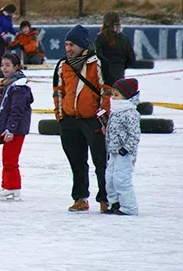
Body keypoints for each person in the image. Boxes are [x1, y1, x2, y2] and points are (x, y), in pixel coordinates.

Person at [53, 24, 112, 213]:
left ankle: (105, 199)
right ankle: (80, 198)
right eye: (66, 44)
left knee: (101, 162)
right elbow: (58, 92)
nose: (69, 48)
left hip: (93, 121)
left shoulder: (98, 62)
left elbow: (107, 92)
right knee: (77, 163)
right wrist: (61, 117)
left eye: (72, 44)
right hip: (70, 121)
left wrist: (103, 118)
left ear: (82, 45)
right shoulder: (63, 65)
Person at [0, 53, 34, 201]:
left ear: (16, 67)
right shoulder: (6, 84)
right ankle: (6, 185)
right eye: (2, 65)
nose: (4, 68)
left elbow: (16, 110)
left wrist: (11, 129)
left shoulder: (19, 86)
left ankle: (13, 186)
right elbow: (0, 109)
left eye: (8, 65)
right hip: (8, 128)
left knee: (10, 159)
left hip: (16, 129)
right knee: (7, 158)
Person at [104, 78, 141, 216]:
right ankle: (115, 203)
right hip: (114, 151)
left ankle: (129, 207)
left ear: (127, 96)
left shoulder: (130, 112)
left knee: (121, 180)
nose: (112, 98)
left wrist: (126, 149)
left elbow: (134, 135)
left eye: (116, 95)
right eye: (112, 94)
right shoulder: (115, 111)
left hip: (124, 153)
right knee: (110, 178)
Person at [95, 12, 135, 82]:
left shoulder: (100, 38)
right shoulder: (124, 38)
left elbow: (98, 56)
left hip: (104, 77)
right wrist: (121, 66)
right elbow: (131, 59)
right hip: (119, 76)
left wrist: (106, 66)